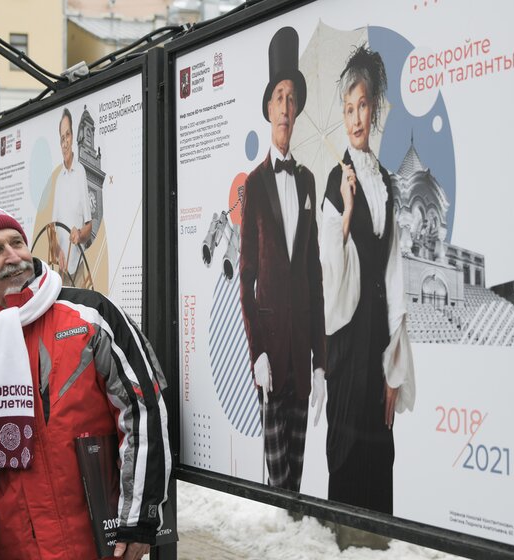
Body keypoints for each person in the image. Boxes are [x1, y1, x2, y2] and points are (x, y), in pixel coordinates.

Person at [0, 201, 170, 560]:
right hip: (15, 548)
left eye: (17, 242)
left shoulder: (90, 315)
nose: (13, 256)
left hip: (99, 544)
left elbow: (142, 411)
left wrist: (139, 519)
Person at [319, 45, 416, 513]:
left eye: (362, 106)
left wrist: (394, 368)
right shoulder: (334, 184)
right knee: (347, 455)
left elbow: (394, 274)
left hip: (377, 343)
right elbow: (326, 277)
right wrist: (346, 212)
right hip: (345, 344)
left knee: (381, 455)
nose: (355, 118)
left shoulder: (388, 184)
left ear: (374, 107)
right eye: (347, 108)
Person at [239, 26, 326, 493]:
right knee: (277, 483)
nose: (287, 107)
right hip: (271, 357)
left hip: (301, 355)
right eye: (279, 98)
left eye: (293, 99)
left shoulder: (308, 180)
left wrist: (321, 362)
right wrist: (257, 353)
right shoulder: (253, 185)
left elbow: (314, 275)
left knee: (297, 481)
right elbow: (246, 278)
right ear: (269, 109)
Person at [51, 108, 93, 282]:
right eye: (62, 138)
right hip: (61, 272)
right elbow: (52, 231)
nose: (65, 142)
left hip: (78, 268)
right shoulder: (59, 179)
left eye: (67, 135)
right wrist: (57, 252)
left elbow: (89, 228)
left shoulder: (80, 172)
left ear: (73, 136)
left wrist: (79, 234)